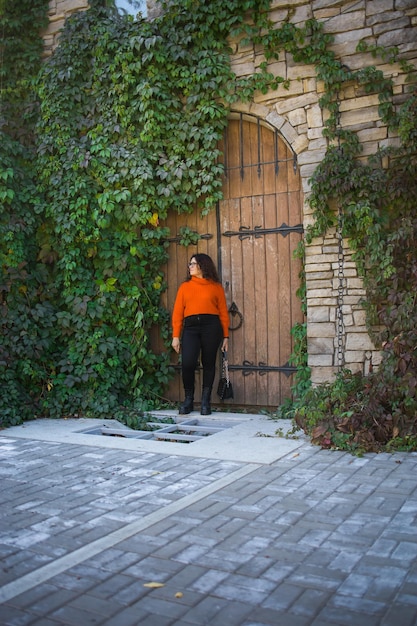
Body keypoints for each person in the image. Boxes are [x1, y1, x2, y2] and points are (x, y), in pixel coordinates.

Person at [171, 253, 229, 415]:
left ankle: (205, 401)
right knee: (188, 363)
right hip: (191, 328)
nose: (190, 267)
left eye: (193, 264)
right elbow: (177, 313)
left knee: (209, 363)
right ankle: (188, 399)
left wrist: (226, 336)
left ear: (202, 266)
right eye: (190, 264)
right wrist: (176, 336)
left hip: (211, 327)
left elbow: (223, 313)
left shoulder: (216, 287)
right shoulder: (185, 287)